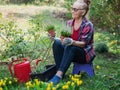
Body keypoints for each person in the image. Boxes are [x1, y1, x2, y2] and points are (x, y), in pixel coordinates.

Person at [48, 0, 95, 85]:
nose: (72, 11)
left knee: (71, 47)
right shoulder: (69, 23)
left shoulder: (88, 25)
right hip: (70, 51)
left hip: (84, 54)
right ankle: (60, 73)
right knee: (57, 44)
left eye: (75, 9)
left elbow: (83, 44)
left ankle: (58, 76)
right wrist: (54, 38)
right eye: (72, 9)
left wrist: (71, 42)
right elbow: (64, 40)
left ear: (83, 12)